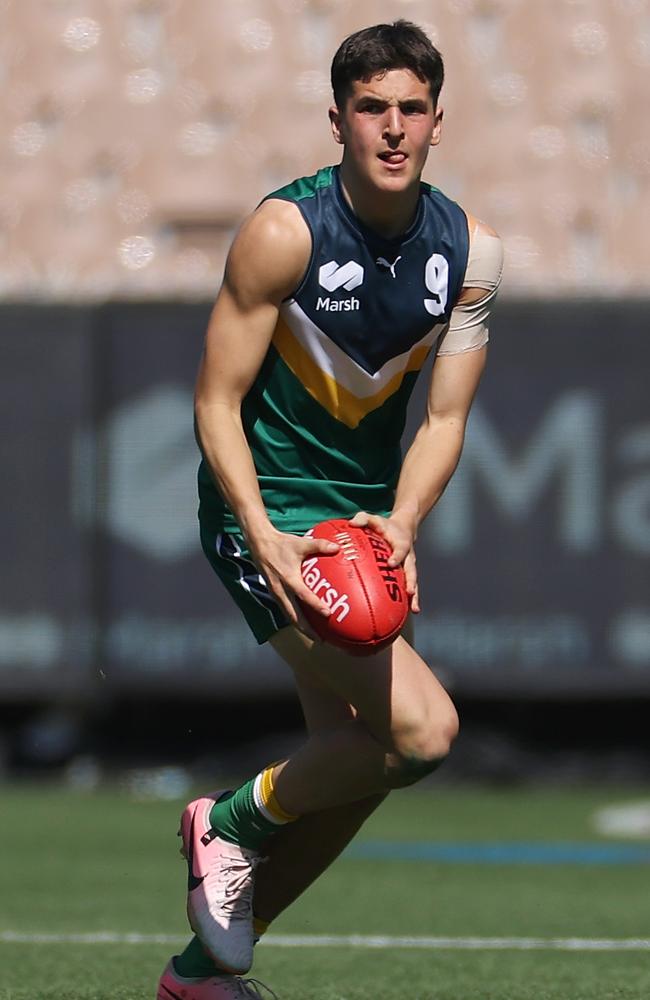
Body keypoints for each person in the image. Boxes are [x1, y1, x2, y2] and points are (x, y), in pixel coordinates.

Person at [157, 19, 503, 1000]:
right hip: (264, 513)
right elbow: (214, 399)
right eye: (370, 109)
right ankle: (226, 821)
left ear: (438, 121)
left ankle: (203, 973)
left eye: (410, 109)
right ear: (338, 119)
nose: (391, 128)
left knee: (362, 760)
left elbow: (442, 415)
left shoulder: (471, 252)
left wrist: (400, 523)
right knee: (422, 734)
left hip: (355, 528)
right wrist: (258, 530)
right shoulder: (285, 230)